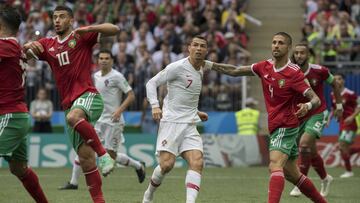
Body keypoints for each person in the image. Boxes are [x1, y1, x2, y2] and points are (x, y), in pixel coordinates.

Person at [207, 32, 327, 203]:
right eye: (274, 42)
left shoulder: (294, 73)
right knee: (293, 175)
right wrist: (209, 64)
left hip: (286, 124)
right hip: (276, 124)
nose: (276, 45)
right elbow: (235, 71)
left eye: (280, 43)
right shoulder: (264, 66)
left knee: (274, 165)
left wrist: (307, 105)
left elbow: (315, 99)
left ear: (288, 48)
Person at [23, 5, 119, 202]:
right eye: (55, 17)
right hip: (68, 103)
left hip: (88, 96)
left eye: (62, 17)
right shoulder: (47, 44)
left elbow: (114, 30)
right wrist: (28, 46)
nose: (57, 20)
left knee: (73, 117)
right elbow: (27, 53)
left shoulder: (80, 36)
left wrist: (91, 29)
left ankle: (104, 155)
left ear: (71, 20)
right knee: (85, 159)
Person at [59, 49, 146, 190]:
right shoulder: (94, 77)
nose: (104, 60)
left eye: (107, 58)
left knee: (110, 156)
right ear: (97, 61)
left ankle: (138, 165)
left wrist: (119, 110)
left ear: (111, 60)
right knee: (83, 147)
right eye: (101, 58)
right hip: (97, 120)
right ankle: (74, 182)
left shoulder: (117, 76)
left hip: (113, 121)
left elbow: (131, 95)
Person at [142, 36, 211, 203]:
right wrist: (155, 105)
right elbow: (151, 83)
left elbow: (186, 96)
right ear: (189, 48)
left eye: (202, 46)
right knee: (166, 165)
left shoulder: (201, 68)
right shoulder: (177, 67)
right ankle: (149, 194)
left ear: (206, 50)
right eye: (195, 45)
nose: (199, 48)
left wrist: (196, 111)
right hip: (171, 123)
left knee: (197, 162)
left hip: (189, 124)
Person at [0, 6, 48, 202]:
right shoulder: (14, 47)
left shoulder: (6, 46)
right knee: (18, 168)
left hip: (8, 116)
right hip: (15, 115)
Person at [288, 43, 343, 197]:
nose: (299, 56)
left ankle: (300, 184)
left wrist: (339, 106)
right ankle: (325, 178)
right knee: (310, 151)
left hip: (317, 113)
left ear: (308, 55)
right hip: (299, 115)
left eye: (302, 53)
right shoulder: (290, 72)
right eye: (296, 53)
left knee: (304, 144)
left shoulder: (320, 71)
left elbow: (335, 84)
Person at [331, 73, 360, 178]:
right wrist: (329, 119)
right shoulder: (333, 94)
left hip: (350, 124)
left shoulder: (350, 93)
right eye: (334, 79)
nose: (337, 81)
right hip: (341, 124)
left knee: (342, 146)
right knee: (343, 149)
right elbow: (334, 109)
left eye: (339, 79)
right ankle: (348, 169)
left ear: (343, 81)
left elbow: (359, 105)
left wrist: (352, 117)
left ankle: (349, 171)